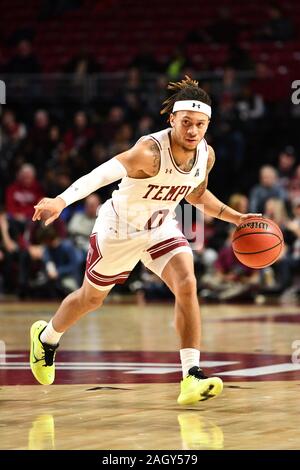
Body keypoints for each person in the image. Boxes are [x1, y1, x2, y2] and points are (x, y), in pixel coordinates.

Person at [30, 76, 261, 405]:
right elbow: (101, 174)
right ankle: (47, 336)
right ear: (172, 120)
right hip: (119, 229)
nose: (193, 131)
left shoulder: (205, 156)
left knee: (187, 282)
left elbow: (196, 195)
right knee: (90, 299)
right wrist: (61, 201)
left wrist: (237, 218)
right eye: (186, 123)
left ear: (208, 124)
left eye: (200, 124)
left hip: (160, 227)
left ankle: (191, 375)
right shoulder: (149, 151)